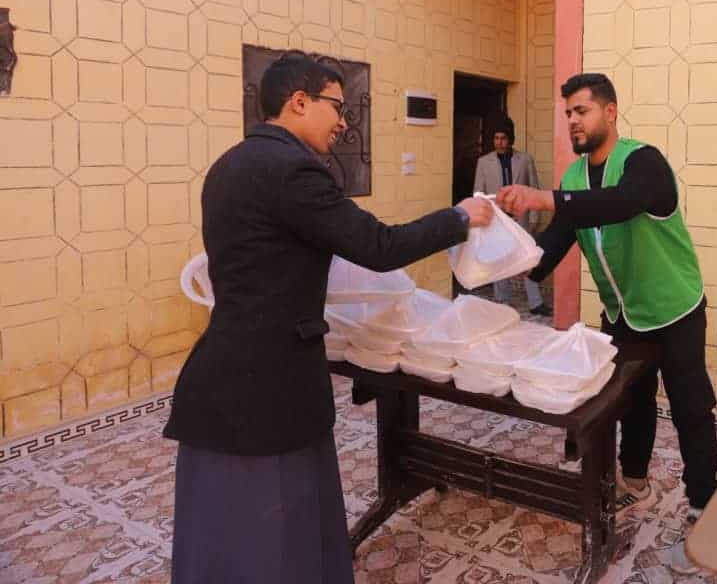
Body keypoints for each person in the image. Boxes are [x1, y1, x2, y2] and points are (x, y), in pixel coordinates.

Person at [163, 55, 493, 584]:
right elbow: (379, 246)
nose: (343, 121)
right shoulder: (293, 170)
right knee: (273, 534)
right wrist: (458, 217)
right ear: (299, 102)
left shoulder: (228, 165)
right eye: (337, 106)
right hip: (267, 385)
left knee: (225, 534)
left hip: (222, 372)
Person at [496, 73, 717, 576]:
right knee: (631, 403)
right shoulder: (575, 178)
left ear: (610, 112)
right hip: (623, 314)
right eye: (568, 114)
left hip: (675, 310)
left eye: (582, 111)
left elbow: (622, 203)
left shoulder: (644, 162)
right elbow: (554, 244)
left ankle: (703, 504)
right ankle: (634, 483)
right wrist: (505, 255)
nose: (573, 121)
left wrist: (544, 198)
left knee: (691, 408)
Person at [473, 115, 551, 316]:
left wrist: (534, 218)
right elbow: (478, 194)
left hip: (521, 218)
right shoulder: (484, 162)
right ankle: (503, 302)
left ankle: (536, 303)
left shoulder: (524, 160)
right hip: (497, 219)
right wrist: (482, 219)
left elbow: (534, 188)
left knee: (528, 258)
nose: (499, 142)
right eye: (496, 138)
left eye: (503, 138)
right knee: (500, 260)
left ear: (510, 139)